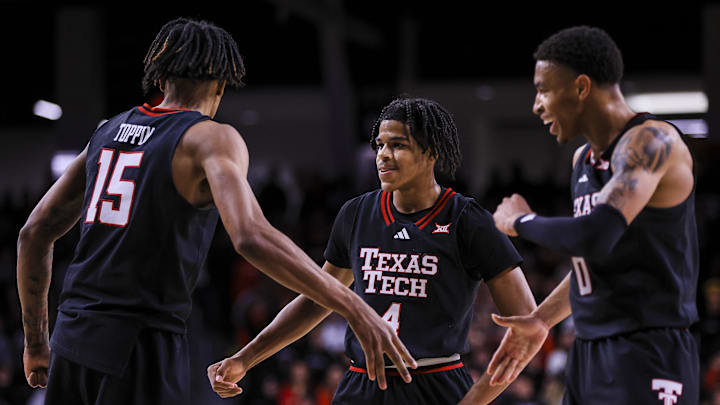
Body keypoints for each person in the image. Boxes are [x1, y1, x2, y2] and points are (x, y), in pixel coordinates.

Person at [16, 18, 415, 405]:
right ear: (222, 84)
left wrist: (36, 344)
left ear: (159, 77)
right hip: (138, 346)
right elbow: (251, 236)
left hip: (71, 341)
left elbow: (33, 233)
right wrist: (355, 307)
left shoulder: (106, 132)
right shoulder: (209, 138)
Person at [208, 97, 540, 404]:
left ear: (431, 152)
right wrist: (245, 358)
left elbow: (529, 323)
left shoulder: (468, 220)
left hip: (435, 383)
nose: (382, 154)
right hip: (360, 383)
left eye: (398, 145)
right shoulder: (356, 214)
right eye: (380, 144)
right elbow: (315, 301)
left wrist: (475, 401)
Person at [483, 26, 699, 404]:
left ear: (581, 87)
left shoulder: (652, 142)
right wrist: (540, 320)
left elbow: (595, 235)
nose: (536, 105)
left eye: (543, 89)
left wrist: (520, 221)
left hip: (648, 350)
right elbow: (594, 258)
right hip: (589, 352)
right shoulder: (582, 159)